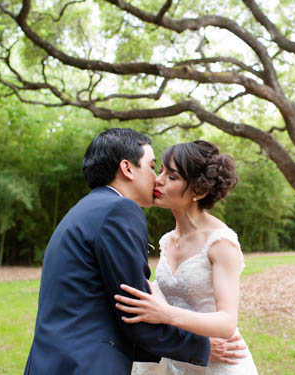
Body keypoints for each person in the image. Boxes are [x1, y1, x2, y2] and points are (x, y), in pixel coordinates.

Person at [24, 129, 213, 375]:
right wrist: (202, 347)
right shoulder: (119, 210)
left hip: (52, 360)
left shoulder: (84, 210)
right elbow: (135, 310)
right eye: (152, 167)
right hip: (86, 365)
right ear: (127, 168)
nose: (156, 179)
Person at [117, 140, 259, 375]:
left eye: (172, 177)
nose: (158, 180)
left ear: (199, 191)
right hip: (179, 360)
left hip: (220, 361)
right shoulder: (167, 241)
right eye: (160, 170)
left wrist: (165, 314)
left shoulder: (221, 243)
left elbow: (226, 322)